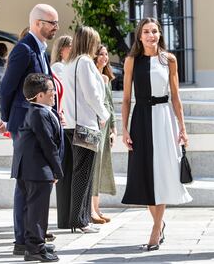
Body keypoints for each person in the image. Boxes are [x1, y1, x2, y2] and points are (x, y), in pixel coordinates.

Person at [121, 17, 192, 251]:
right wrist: (124, 128)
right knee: (145, 174)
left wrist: (182, 127)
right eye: (146, 32)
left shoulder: (169, 60)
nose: (151, 35)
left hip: (164, 120)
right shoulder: (131, 60)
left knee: (162, 173)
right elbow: (126, 98)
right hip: (140, 119)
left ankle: (155, 228)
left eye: (155, 31)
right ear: (139, 36)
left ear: (160, 35)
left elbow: (176, 97)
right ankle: (158, 224)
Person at [0, 3, 60, 255]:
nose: (56, 27)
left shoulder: (41, 50)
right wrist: (8, 120)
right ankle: (24, 239)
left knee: (29, 183)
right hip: (25, 125)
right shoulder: (24, 50)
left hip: (35, 123)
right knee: (28, 182)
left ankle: (28, 238)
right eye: (52, 23)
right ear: (38, 23)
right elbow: (6, 88)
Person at [62, 25, 110, 233]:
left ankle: (80, 219)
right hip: (86, 125)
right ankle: (79, 221)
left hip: (72, 125)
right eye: (96, 42)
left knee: (78, 173)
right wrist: (104, 114)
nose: (98, 46)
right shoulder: (85, 63)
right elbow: (92, 94)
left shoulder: (69, 63)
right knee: (84, 174)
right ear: (90, 42)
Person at [12, 73, 63, 262]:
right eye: (51, 90)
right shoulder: (39, 113)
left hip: (31, 168)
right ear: (40, 95)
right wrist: (57, 170)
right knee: (37, 211)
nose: (55, 93)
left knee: (32, 209)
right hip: (36, 169)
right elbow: (48, 144)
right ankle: (35, 248)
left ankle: (34, 244)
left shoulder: (39, 111)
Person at [91, 45, 117, 224]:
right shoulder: (93, 76)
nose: (104, 57)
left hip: (107, 123)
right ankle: (91, 209)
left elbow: (110, 104)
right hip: (97, 122)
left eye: (106, 54)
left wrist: (114, 128)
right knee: (96, 164)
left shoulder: (107, 78)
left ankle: (97, 208)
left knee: (102, 165)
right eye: (101, 54)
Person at [50, 35, 73, 229]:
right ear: (61, 49)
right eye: (70, 47)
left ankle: (68, 217)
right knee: (64, 174)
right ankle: (64, 218)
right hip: (64, 125)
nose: (73, 49)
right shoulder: (58, 68)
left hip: (68, 123)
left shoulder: (67, 67)